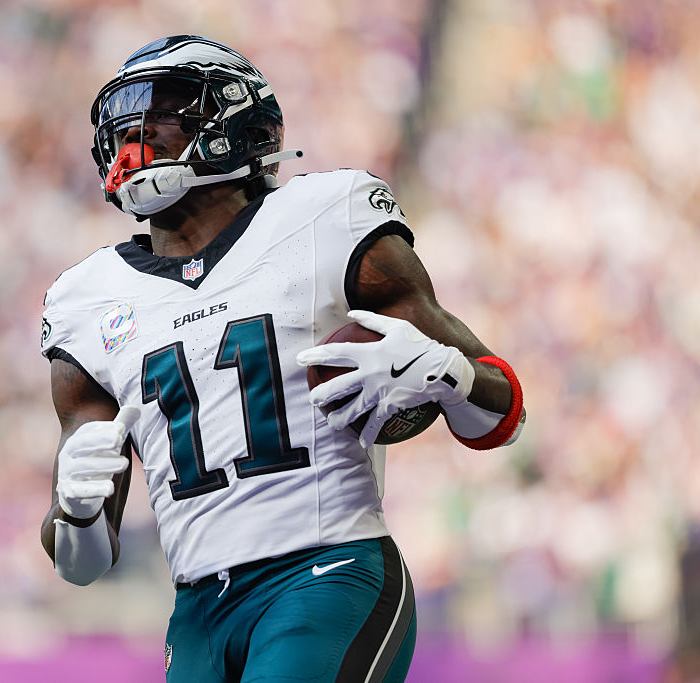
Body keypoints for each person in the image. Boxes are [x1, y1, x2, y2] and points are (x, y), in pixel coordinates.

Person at [39, 35, 526, 683]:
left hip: (326, 572)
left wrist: (448, 372)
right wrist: (72, 508)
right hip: (196, 616)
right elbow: (84, 561)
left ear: (234, 117)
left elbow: (504, 414)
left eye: (164, 112)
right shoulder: (87, 298)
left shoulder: (324, 217)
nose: (138, 133)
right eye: (126, 119)